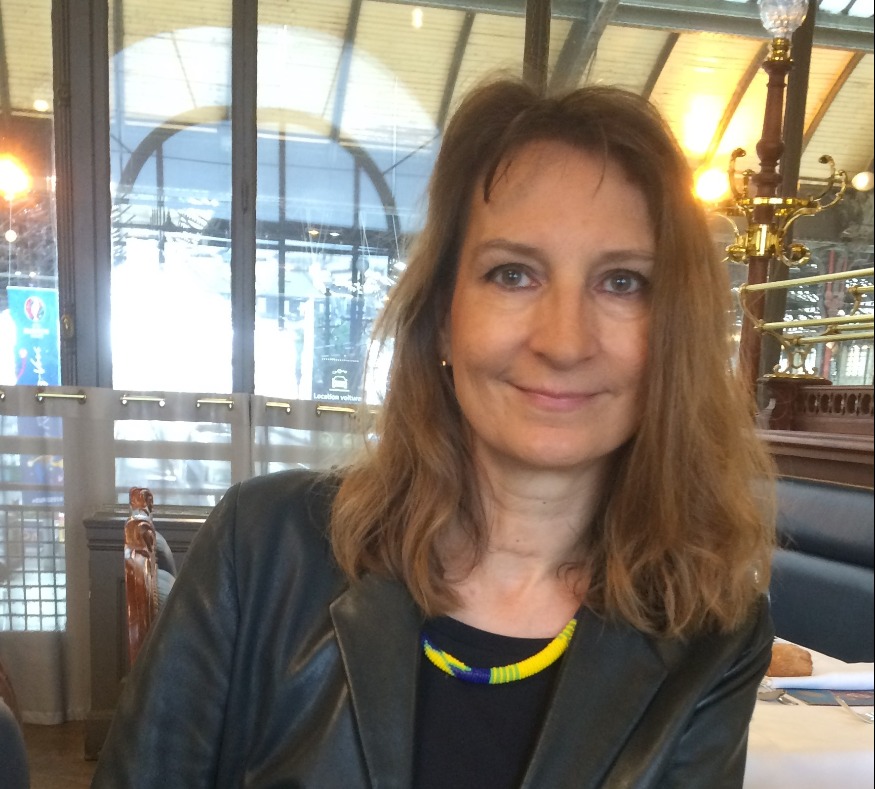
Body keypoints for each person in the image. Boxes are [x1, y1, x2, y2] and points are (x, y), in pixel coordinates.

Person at [92, 78, 775, 788]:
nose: (565, 341)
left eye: (623, 282)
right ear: (443, 318)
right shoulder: (261, 547)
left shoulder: (713, 630)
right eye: (513, 275)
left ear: (675, 334)